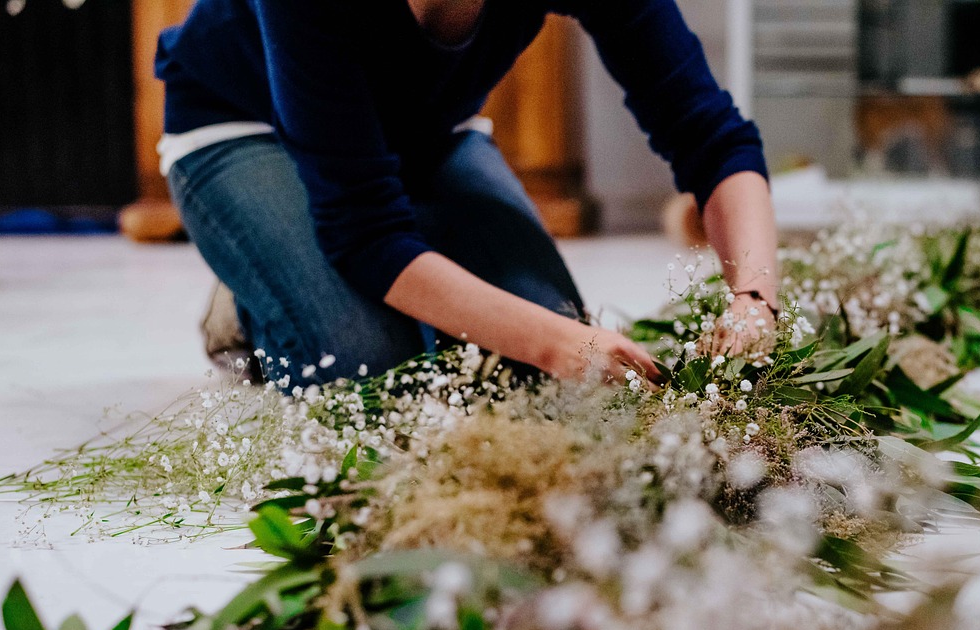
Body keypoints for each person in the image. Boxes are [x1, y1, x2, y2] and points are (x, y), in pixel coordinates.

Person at [155, 0, 779, 386]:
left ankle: (313, 250)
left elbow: (713, 139)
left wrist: (754, 301)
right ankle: (251, 293)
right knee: (372, 372)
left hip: (419, 134)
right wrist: (557, 344)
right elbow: (365, 233)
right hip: (239, 124)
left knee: (535, 376)